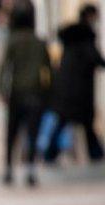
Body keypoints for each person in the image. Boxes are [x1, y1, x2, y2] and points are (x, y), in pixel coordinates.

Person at [0, 4, 51, 186]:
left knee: (12, 133)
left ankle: (8, 169)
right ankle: (30, 169)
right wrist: (47, 92)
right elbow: (48, 70)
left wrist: (2, 90)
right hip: (36, 93)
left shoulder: (12, 41)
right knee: (32, 133)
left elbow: (4, 67)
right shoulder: (39, 42)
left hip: (17, 93)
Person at [44, 4, 105, 164]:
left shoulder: (72, 37)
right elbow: (95, 58)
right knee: (81, 122)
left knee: (69, 121)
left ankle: (94, 152)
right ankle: (93, 153)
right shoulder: (85, 37)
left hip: (67, 87)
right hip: (79, 90)